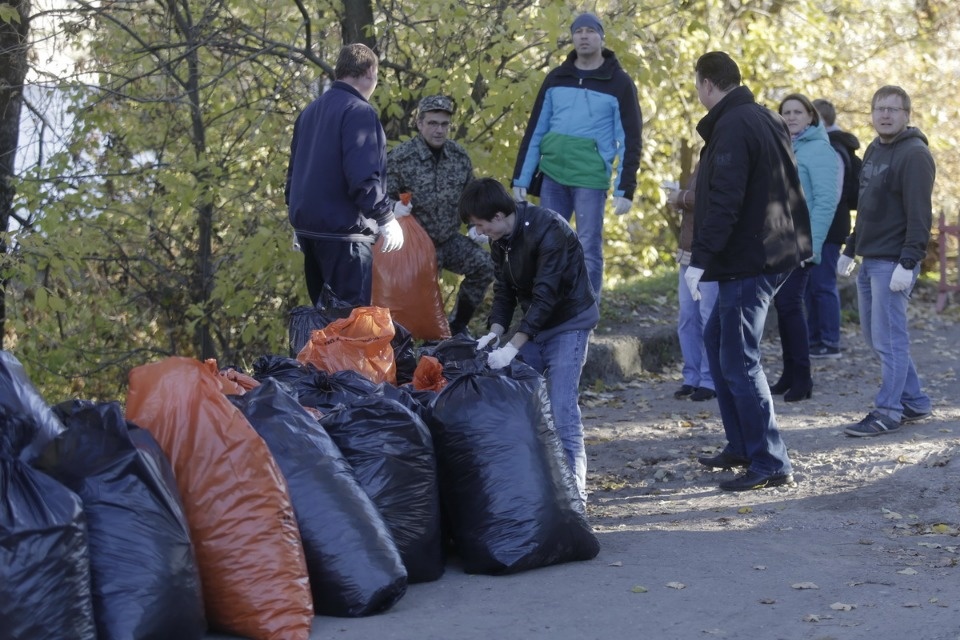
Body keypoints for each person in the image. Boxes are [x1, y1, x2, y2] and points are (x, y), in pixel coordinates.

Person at [686, 51, 810, 491]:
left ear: (706, 84)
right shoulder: (763, 118)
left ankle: (770, 460)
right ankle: (742, 444)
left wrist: (699, 260)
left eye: (697, 85)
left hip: (749, 260)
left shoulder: (735, 125)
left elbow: (725, 200)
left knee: (739, 359)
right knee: (717, 339)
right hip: (771, 252)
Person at [461, 177, 599, 506]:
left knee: (562, 408)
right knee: (518, 402)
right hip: (535, 326)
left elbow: (546, 295)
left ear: (497, 215)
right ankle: (536, 487)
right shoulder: (501, 240)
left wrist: (513, 346)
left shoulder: (550, 229)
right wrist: (495, 332)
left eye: (480, 225)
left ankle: (575, 500)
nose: (478, 233)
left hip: (569, 323)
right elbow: (505, 290)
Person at [511, 12, 642, 299]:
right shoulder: (557, 78)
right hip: (553, 176)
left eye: (590, 31)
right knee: (546, 244)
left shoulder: (619, 82)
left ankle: (587, 313)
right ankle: (548, 309)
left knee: (588, 248)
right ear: (572, 38)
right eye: (578, 31)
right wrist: (521, 176)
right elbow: (535, 130)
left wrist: (625, 188)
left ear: (601, 37)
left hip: (590, 179)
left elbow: (631, 139)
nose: (583, 36)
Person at [840, 85, 935, 437]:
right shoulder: (874, 149)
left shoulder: (914, 155)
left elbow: (920, 215)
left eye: (893, 109)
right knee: (875, 337)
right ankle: (914, 400)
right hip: (870, 259)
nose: (885, 115)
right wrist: (851, 248)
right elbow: (865, 207)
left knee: (890, 339)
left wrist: (909, 262)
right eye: (880, 108)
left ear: (906, 115)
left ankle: (889, 411)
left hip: (894, 262)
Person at [285, 43, 405, 307]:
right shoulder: (358, 111)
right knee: (349, 326)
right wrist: (385, 216)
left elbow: (294, 174)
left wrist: (298, 215)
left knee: (324, 323)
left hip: (310, 233)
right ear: (370, 71)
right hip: (345, 237)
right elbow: (363, 176)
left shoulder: (310, 112)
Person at [387, 95, 494, 336]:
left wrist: (476, 225)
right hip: (415, 246)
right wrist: (394, 207)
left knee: (484, 265)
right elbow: (379, 198)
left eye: (444, 124)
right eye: (433, 123)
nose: (439, 130)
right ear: (420, 123)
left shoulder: (458, 156)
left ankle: (457, 327)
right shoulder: (401, 157)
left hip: (448, 238)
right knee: (417, 302)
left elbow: (471, 196)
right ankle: (411, 342)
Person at [768, 94, 841, 402]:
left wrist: (812, 245)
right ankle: (790, 373)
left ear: (812, 117)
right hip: (780, 242)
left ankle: (803, 377)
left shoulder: (820, 150)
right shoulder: (785, 146)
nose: (792, 116)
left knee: (789, 304)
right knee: (784, 307)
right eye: (786, 112)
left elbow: (826, 203)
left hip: (803, 244)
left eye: (798, 111)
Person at [808, 98, 862, 359]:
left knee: (823, 284)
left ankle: (830, 341)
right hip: (820, 227)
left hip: (828, 227)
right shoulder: (828, 145)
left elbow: (833, 194)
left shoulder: (833, 147)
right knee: (812, 285)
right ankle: (816, 339)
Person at [664, 169, 718, 402]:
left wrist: (681, 197)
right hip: (687, 252)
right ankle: (691, 377)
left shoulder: (727, 152)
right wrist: (678, 202)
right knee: (687, 317)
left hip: (710, 255)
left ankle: (710, 379)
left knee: (708, 317)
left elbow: (715, 199)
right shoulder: (701, 161)